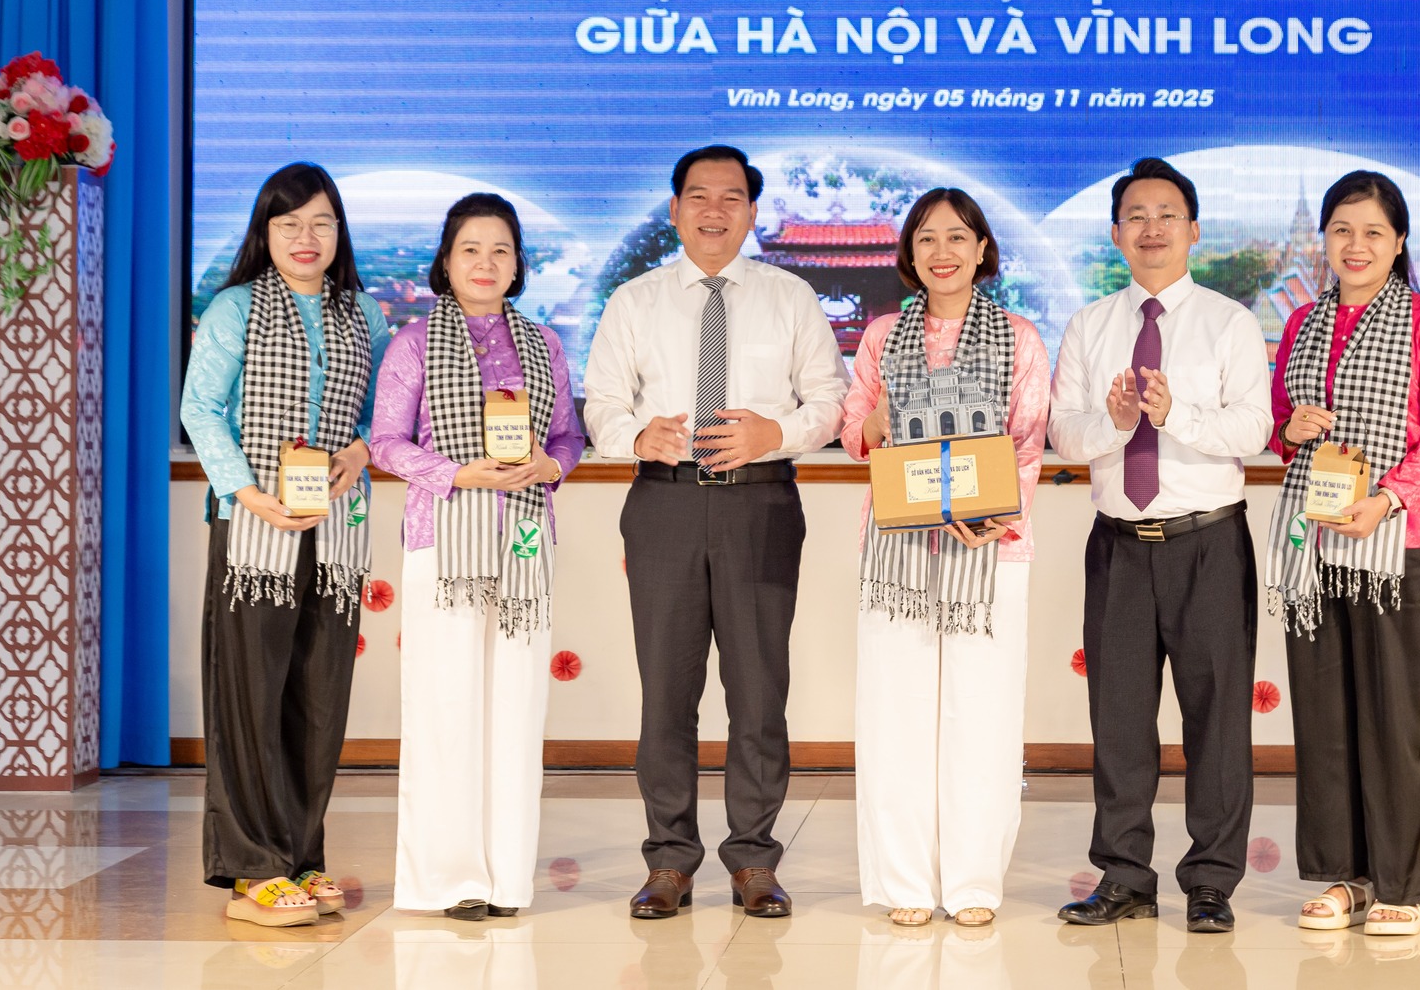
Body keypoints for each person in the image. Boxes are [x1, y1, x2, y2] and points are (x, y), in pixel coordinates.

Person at [584, 145, 849, 920]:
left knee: (759, 689)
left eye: (731, 197)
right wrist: (636, 436)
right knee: (667, 690)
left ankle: (754, 858)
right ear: (674, 210)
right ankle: (668, 860)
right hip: (663, 503)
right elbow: (601, 403)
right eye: (698, 196)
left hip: (760, 505)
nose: (714, 210)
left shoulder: (789, 296)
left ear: (752, 212)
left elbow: (829, 401)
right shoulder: (635, 300)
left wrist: (775, 431)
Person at [1049, 156, 1272, 935]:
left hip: (1207, 542)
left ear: (1194, 229)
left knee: (1218, 719)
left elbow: (1255, 428)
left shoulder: (1229, 322)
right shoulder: (1089, 325)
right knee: (1118, 717)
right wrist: (1114, 423)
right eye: (1136, 216)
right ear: (1116, 233)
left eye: (1166, 214)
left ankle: (1211, 880)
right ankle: (1123, 874)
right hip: (1118, 545)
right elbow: (1062, 432)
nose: (1151, 229)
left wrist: (1175, 414)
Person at [179, 162, 389, 927]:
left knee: (318, 697)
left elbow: (383, 413)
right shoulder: (234, 307)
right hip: (253, 529)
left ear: (340, 232)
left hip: (336, 529)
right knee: (249, 696)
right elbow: (199, 408)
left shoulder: (365, 315)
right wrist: (246, 491)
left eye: (321, 222)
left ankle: (302, 855)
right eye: (289, 223)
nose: (306, 237)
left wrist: (360, 450)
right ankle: (251, 868)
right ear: (264, 232)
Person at [838, 188, 1050, 928]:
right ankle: (905, 882)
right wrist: (877, 416)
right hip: (896, 550)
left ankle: (972, 883)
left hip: (992, 551)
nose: (942, 252)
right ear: (909, 253)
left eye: (958, 237)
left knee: (981, 714)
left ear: (982, 248)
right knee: (894, 713)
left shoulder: (1020, 337)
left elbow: (1029, 442)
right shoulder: (880, 337)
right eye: (926, 238)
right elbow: (853, 436)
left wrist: (993, 514)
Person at [370, 192, 583, 920]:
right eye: (471, 249)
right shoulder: (412, 343)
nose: (486, 263)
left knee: (516, 707)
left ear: (518, 263)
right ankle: (450, 879)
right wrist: (458, 473)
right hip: (443, 543)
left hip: (523, 543)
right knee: (446, 706)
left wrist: (549, 467)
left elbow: (567, 437)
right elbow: (385, 443)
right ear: (446, 260)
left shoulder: (544, 343)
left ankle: (506, 879)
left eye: (501, 250)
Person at [1270, 169, 1420, 937]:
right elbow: (1280, 425)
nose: (1355, 246)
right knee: (1328, 721)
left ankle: (1403, 883)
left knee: (1397, 719)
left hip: (1398, 547)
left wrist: (1387, 496)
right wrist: (1289, 427)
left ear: (1399, 241)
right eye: (1342, 230)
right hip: (1314, 545)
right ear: (1322, 237)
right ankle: (1346, 877)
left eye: (1373, 232)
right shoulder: (1300, 322)